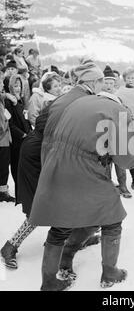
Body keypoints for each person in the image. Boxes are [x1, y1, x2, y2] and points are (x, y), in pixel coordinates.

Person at [28, 61, 134, 291]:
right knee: (112, 218)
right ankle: (110, 273)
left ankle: (49, 281)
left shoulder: (83, 101)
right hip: (82, 167)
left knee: (61, 223)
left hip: (55, 164)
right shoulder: (119, 112)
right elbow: (126, 160)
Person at [0, 61, 104, 270]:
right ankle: (10, 247)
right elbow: (47, 126)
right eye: (101, 81)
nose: (102, 85)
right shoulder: (78, 99)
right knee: (42, 205)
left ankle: (75, 237)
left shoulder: (80, 96)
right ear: (93, 82)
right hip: (39, 153)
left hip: (48, 150)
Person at [101, 65, 132, 199]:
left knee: (120, 161)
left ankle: (123, 185)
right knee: (106, 161)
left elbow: (126, 114)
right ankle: (108, 186)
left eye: (111, 83)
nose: (108, 85)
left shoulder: (119, 98)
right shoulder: (99, 97)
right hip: (103, 134)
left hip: (118, 134)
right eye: (106, 82)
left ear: (115, 84)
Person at [5, 74, 32, 203]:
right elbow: (10, 124)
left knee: (23, 169)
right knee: (16, 168)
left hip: (25, 139)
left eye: (20, 85)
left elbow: (25, 120)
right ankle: (19, 197)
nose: (18, 88)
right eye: (15, 85)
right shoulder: (8, 101)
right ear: (10, 86)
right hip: (16, 141)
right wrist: (22, 134)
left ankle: (23, 196)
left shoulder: (20, 101)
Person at [0, 70, 15, 202]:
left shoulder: (1, 96)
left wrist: (7, 96)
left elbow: (2, 95)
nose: (1, 84)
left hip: (4, 139)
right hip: (2, 139)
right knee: (3, 168)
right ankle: (3, 193)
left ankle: (3, 191)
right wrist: (7, 119)